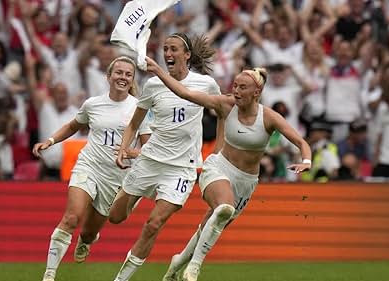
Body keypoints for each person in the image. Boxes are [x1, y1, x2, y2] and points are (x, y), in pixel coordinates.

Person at [144, 57, 312, 281]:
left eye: (243, 87)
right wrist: (158, 71)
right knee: (224, 208)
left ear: (257, 92)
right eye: (235, 86)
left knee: (212, 225)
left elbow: (302, 143)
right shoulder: (225, 104)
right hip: (219, 167)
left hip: (246, 181)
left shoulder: (269, 117)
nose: (237, 91)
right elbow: (186, 94)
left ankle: (179, 261)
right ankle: (194, 267)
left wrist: (306, 162)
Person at [108, 33, 222, 281]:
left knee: (153, 224)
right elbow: (134, 124)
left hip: (181, 168)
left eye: (173, 49)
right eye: (165, 49)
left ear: (187, 55)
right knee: (115, 217)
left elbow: (224, 111)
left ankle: (120, 279)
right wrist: (122, 149)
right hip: (150, 160)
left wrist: (218, 151)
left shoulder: (206, 84)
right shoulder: (153, 86)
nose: (168, 54)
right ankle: (133, 195)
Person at [32, 56, 151, 281]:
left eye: (128, 74)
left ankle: (86, 240)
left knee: (88, 232)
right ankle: (49, 275)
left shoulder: (139, 109)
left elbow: (148, 147)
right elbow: (72, 126)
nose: (123, 77)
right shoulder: (93, 104)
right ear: (108, 76)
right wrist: (49, 141)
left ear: (132, 79)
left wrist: (130, 153)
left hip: (116, 177)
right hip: (89, 165)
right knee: (71, 217)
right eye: (119, 72)